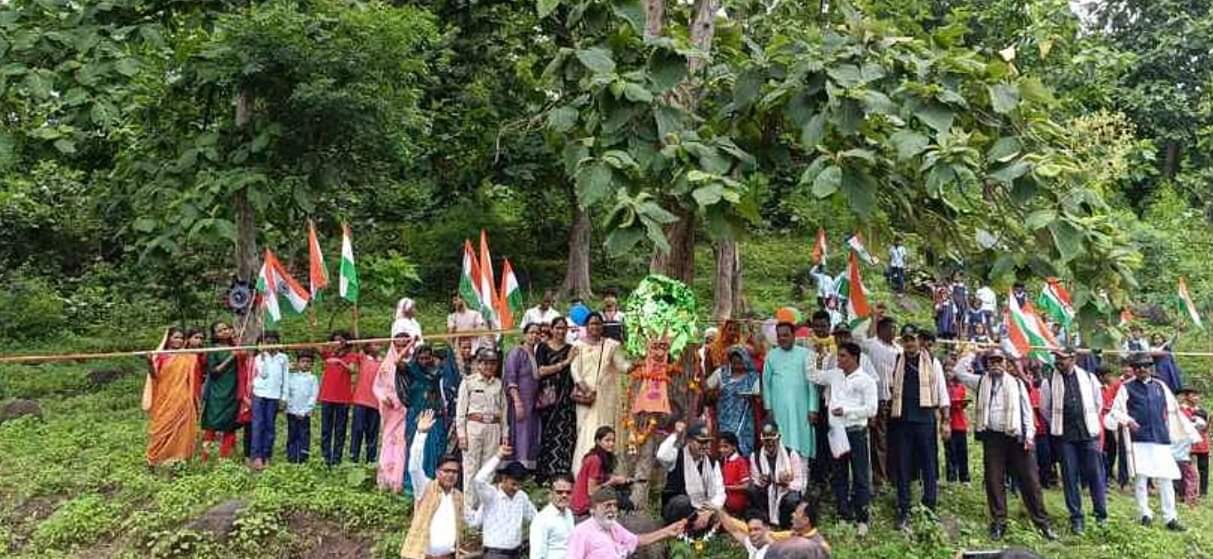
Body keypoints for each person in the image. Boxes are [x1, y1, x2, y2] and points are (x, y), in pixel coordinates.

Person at [954, 349, 1057, 541]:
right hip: (993, 437)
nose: (995, 364)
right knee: (994, 480)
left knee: (1030, 481)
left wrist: (1029, 437)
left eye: (998, 360)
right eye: (991, 361)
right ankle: (999, 522)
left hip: (1016, 437)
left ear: (1004, 363)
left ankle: (1043, 523)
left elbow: (1027, 412)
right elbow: (959, 372)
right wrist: (974, 353)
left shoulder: (1017, 383)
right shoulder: (981, 382)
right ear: (987, 364)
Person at [1105, 352, 1189, 531]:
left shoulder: (1160, 386)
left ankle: (1170, 517)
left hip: (1160, 438)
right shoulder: (1126, 388)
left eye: (1145, 366)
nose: (1142, 369)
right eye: (1137, 367)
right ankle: (1144, 513)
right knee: (1141, 477)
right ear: (1133, 370)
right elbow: (1115, 411)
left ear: (1150, 367)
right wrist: (1128, 420)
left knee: (1166, 477)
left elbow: (1174, 410)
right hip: (1139, 439)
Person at [808, 342, 878, 535]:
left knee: (860, 475)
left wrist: (847, 411)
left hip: (856, 431)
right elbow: (813, 375)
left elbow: (872, 409)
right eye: (838, 356)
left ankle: (862, 517)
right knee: (839, 474)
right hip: (837, 431)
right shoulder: (835, 375)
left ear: (855, 358)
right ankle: (843, 514)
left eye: (843, 356)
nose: (838, 360)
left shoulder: (866, 380)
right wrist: (814, 356)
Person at [1039, 346, 1107, 533]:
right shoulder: (1049, 381)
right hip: (1065, 436)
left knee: (1095, 474)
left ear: (1073, 359)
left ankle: (1101, 514)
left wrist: (1089, 420)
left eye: (1062, 358)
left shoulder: (1088, 378)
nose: (1058, 362)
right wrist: (1057, 423)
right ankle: (1076, 517)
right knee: (1069, 476)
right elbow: (1045, 409)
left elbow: (1098, 403)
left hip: (1088, 433)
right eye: (1056, 359)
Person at [888, 324, 949, 531]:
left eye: (912, 339)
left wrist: (946, 420)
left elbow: (942, 391)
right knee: (903, 465)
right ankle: (903, 508)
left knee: (928, 464)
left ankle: (929, 506)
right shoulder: (898, 361)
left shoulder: (932, 362)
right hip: (903, 420)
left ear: (919, 340)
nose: (909, 343)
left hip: (925, 420)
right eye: (905, 340)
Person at [570, 313, 630, 474]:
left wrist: (634, 366)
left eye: (598, 324)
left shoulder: (611, 345)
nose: (595, 327)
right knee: (585, 430)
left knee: (605, 430)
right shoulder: (578, 345)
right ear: (586, 326)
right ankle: (583, 471)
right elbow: (575, 369)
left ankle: (607, 470)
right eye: (592, 324)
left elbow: (621, 365)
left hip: (606, 398)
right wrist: (586, 390)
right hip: (586, 397)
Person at [400, 410, 465, 559]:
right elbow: (414, 467)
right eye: (446, 471)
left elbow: (471, 520)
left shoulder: (459, 497)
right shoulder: (425, 488)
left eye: (454, 472)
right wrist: (421, 434)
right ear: (437, 472)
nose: (450, 475)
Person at [852, 309, 901, 493]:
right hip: (878, 399)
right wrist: (872, 319)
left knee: (894, 440)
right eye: (890, 328)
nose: (894, 332)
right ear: (881, 330)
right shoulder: (872, 345)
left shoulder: (899, 349)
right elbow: (857, 336)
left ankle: (893, 474)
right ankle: (879, 479)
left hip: (895, 401)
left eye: (895, 329)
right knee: (878, 440)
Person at [457, 347, 509, 513]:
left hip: (493, 426)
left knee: (489, 467)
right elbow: (460, 412)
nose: (489, 366)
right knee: (471, 467)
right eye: (485, 363)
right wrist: (461, 434)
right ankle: (469, 509)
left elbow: (504, 411)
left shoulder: (499, 384)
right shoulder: (469, 382)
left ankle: (483, 509)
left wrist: (505, 434)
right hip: (474, 426)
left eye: (492, 363)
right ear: (478, 364)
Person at [567, 486, 687, 559]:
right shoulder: (581, 532)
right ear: (593, 510)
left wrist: (667, 531)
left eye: (614, 505)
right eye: (607, 506)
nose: (612, 509)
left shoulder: (613, 526)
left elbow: (637, 540)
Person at [762, 322, 819, 467]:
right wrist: (768, 408)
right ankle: (784, 477)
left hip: (802, 407)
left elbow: (812, 383)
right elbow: (766, 384)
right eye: (779, 336)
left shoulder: (807, 355)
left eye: (786, 335)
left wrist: (813, 408)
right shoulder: (771, 356)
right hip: (779, 408)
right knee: (781, 439)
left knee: (802, 440)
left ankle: (803, 481)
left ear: (794, 336)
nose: (782, 339)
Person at [470, 443, 538, 559]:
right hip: (494, 554)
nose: (516, 488)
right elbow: (478, 480)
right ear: (504, 479)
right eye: (514, 484)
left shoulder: (521, 497)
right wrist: (498, 456)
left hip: (516, 553)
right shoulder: (491, 494)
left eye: (519, 485)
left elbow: (537, 519)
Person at [655, 420, 725, 533]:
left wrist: (708, 512)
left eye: (707, 442)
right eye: (701, 442)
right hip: (679, 508)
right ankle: (685, 529)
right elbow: (661, 455)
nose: (704, 446)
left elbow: (720, 492)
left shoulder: (712, 463)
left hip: (703, 509)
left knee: (721, 515)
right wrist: (676, 434)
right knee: (682, 503)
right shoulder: (677, 456)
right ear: (689, 441)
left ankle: (700, 526)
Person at [144, 327, 200, 466]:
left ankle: (177, 459)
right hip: (164, 398)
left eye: (181, 338)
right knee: (160, 430)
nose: (179, 340)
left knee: (181, 429)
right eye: (176, 337)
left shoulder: (188, 356)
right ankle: (154, 460)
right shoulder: (161, 355)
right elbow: (154, 376)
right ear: (168, 338)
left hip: (183, 397)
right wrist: (150, 362)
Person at [373, 329, 415, 493]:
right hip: (390, 410)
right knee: (388, 441)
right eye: (398, 345)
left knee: (402, 442)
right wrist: (383, 397)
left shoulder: (412, 363)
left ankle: (398, 481)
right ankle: (385, 479)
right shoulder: (385, 364)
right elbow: (377, 386)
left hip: (406, 408)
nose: (400, 349)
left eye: (404, 345)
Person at [537, 317, 579, 481]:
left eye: (564, 328)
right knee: (547, 434)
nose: (561, 332)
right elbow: (541, 371)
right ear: (552, 329)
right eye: (558, 328)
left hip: (566, 399)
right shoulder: (543, 347)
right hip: (548, 398)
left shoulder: (571, 348)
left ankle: (562, 471)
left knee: (565, 434)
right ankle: (545, 474)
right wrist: (565, 362)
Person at [404, 344, 447, 492]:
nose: (424, 361)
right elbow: (397, 362)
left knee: (432, 448)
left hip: (432, 414)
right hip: (415, 415)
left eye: (427, 358)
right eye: (421, 358)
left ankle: (431, 481)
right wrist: (411, 343)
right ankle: (411, 485)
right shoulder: (412, 371)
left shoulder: (436, 373)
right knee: (414, 447)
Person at [748, 421, 805, 528]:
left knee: (792, 499)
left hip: (785, 493)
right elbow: (755, 480)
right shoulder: (755, 456)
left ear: (778, 438)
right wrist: (762, 481)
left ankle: (785, 524)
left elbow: (799, 483)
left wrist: (786, 484)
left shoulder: (791, 455)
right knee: (752, 489)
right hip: (766, 493)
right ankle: (764, 521)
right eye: (766, 440)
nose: (770, 444)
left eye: (772, 440)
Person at [199, 321, 240, 463]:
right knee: (212, 424)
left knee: (230, 424)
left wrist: (236, 348)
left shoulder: (236, 346)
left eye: (227, 328)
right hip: (217, 392)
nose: (225, 331)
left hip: (233, 390)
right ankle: (205, 457)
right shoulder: (214, 349)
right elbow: (214, 371)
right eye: (220, 330)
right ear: (215, 335)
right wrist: (231, 357)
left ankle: (225, 458)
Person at [319, 331, 359, 466]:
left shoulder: (351, 356)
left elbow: (352, 370)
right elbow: (317, 346)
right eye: (334, 341)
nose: (337, 344)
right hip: (327, 397)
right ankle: (325, 458)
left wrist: (339, 362)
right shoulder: (328, 354)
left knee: (340, 429)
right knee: (326, 429)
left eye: (340, 341)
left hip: (343, 398)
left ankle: (337, 458)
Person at [572, 426, 633, 516]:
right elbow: (591, 491)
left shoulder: (600, 457)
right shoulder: (595, 460)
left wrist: (617, 478)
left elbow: (601, 478)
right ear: (598, 441)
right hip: (584, 504)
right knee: (625, 501)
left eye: (613, 441)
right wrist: (612, 482)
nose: (611, 444)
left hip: (585, 501)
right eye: (607, 440)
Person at [250, 331, 288, 470]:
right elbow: (261, 374)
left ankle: (267, 455)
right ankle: (256, 456)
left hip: (274, 395)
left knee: (270, 426)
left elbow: (286, 378)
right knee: (257, 425)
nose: (271, 345)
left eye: (274, 342)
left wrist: (283, 397)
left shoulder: (283, 358)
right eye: (268, 342)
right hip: (259, 394)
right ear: (262, 344)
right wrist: (262, 355)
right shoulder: (258, 358)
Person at [506, 323, 542, 470]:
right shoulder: (517, 352)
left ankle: (528, 469)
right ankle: (517, 469)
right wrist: (517, 401)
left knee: (531, 434)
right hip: (520, 402)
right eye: (531, 332)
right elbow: (510, 378)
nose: (534, 336)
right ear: (524, 335)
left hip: (532, 403)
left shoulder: (535, 354)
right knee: (520, 434)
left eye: (537, 333)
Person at [715, 346, 761, 456]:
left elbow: (758, 396)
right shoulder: (722, 374)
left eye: (740, 363)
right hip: (726, 419)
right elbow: (707, 388)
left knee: (743, 448)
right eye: (734, 363)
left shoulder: (753, 377)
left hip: (745, 420)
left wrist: (753, 397)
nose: (737, 366)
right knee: (726, 446)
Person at [349, 341, 382, 464]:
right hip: (360, 401)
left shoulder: (382, 362)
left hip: (376, 402)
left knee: (372, 433)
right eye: (374, 344)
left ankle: (371, 460)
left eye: (378, 344)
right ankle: (353, 458)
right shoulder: (362, 358)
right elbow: (354, 345)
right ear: (367, 346)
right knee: (357, 430)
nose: (377, 347)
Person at [531, 474, 577, 559]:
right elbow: (537, 554)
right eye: (559, 492)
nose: (564, 495)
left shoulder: (569, 513)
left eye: (568, 492)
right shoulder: (542, 519)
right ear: (551, 493)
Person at [284, 350, 318, 464]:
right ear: (298, 363)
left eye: (308, 362)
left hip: (304, 413)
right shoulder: (291, 376)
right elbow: (286, 391)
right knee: (292, 434)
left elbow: (313, 397)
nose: (305, 364)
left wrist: (305, 411)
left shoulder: (313, 379)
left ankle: (303, 458)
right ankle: (292, 457)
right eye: (303, 361)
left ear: (312, 364)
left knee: (304, 435)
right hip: (292, 411)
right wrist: (287, 368)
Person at [1179, 388, 1209, 497]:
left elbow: (1204, 428)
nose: (1196, 398)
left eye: (1197, 396)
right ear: (1186, 397)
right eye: (1193, 395)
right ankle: (1183, 491)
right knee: (1185, 467)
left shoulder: (1202, 411)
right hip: (1186, 443)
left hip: (1202, 442)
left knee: (1203, 467)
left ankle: (1203, 491)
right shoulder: (1181, 411)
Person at [944, 359, 970, 485]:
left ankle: (964, 478)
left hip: (960, 423)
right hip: (948, 424)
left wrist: (962, 403)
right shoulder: (943, 387)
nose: (949, 373)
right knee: (950, 451)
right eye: (947, 370)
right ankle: (951, 477)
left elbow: (963, 400)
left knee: (962, 451)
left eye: (951, 370)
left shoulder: (960, 387)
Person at [719, 433, 752, 515]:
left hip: (737, 506)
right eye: (720, 447)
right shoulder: (722, 461)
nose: (722, 450)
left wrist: (727, 487)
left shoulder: (740, 462)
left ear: (734, 447)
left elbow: (746, 485)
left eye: (725, 446)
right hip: (724, 503)